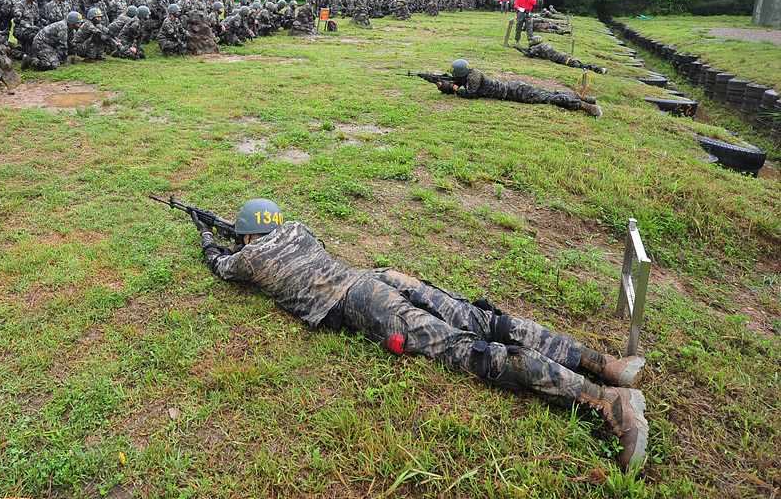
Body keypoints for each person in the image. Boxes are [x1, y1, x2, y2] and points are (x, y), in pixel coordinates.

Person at [189, 199, 649, 471]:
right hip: (380, 276)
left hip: (359, 303)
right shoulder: (296, 228)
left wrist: (209, 237)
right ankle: (605, 365)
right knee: (483, 319)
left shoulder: (247, 258)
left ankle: (605, 399)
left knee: (468, 351)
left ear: (245, 236)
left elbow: (223, 266)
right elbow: (273, 243)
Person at [437, 59, 603, 118]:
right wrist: (445, 84)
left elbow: (470, 94)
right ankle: (583, 98)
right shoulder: (471, 73)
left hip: (516, 92)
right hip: (514, 88)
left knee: (551, 99)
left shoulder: (474, 77)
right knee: (548, 93)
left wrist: (453, 89)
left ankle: (587, 107)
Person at [515, 37, 607, 74]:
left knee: (579, 65)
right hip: (561, 56)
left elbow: (529, 54)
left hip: (561, 58)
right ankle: (598, 69)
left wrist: (519, 50)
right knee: (579, 64)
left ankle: (598, 69)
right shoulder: (544, 44)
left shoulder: (539, 47)